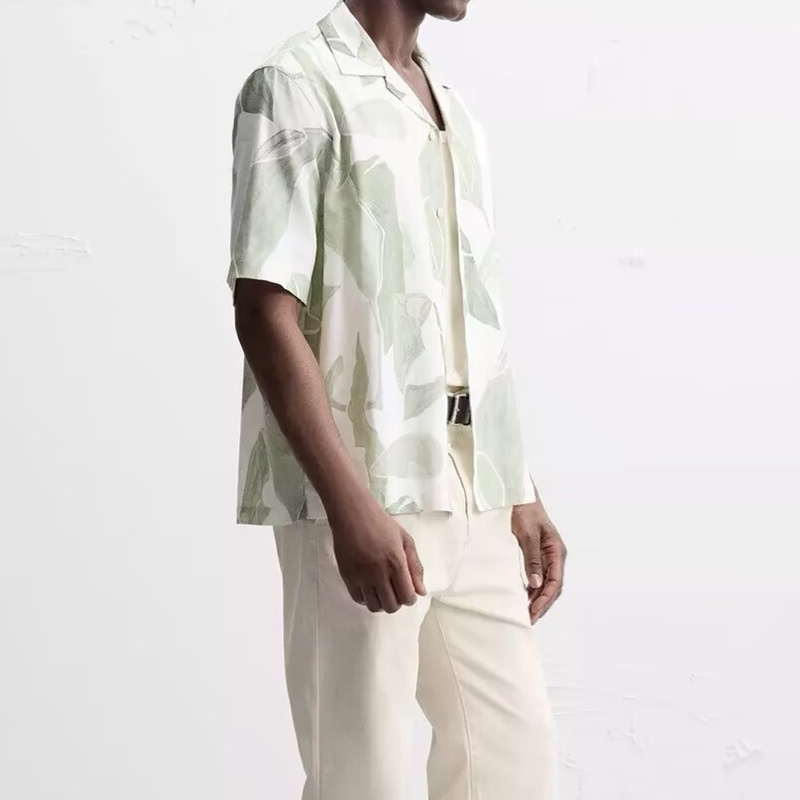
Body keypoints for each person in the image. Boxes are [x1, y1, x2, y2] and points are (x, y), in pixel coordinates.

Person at [227, 0, 568, 797]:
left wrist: (518, 487)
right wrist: (350, 507)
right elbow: (264, 312)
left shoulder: (454, 112)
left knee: (514, 763)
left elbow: (463, 316)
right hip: (359, 490)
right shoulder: (295, 84)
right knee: (361, 777)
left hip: (474, 489)